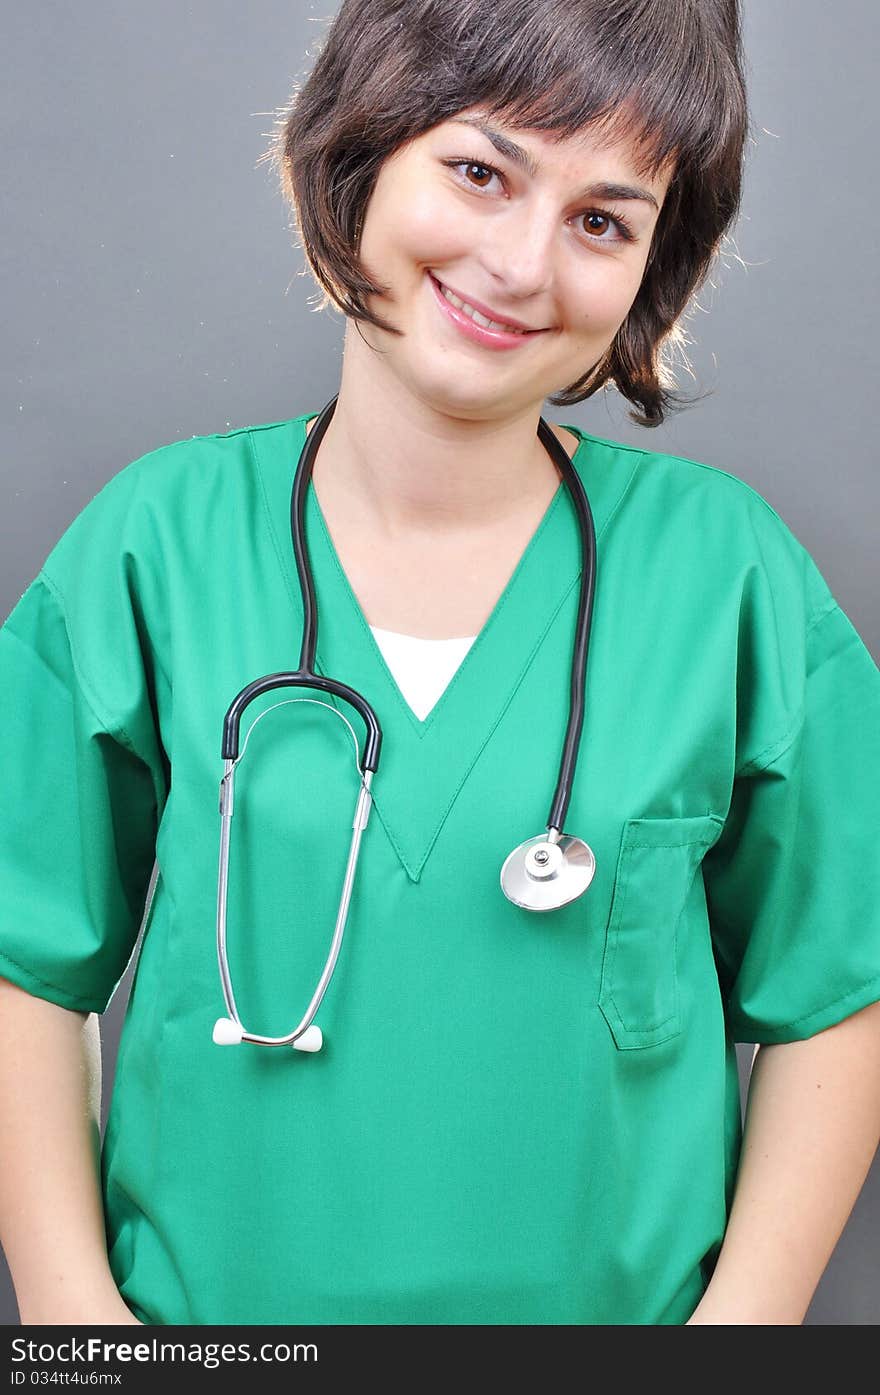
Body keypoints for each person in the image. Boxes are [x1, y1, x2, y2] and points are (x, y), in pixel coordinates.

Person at [1, 0, 879, 1328]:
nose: (523, 263)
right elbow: (23, 967)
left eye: (603, 220)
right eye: (481, 171)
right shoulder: (153, 548)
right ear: (357, 154)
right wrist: (83, 1342)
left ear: (656, 271)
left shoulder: (730, 579)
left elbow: (840, 994)